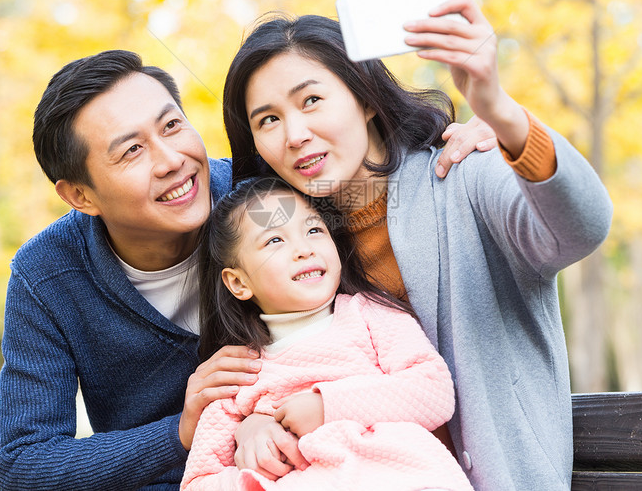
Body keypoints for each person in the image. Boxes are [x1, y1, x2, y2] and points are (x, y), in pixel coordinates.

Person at [0, 49, 492, 490]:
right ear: (79, 195)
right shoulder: (49, 276)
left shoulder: (260, 195)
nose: (172, 161)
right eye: (132, 151)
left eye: (171, 126)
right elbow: (23, 464)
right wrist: (181, 433)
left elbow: (374, 190)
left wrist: (473, 144)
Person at [221, 0, 613, 491]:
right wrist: (251, 423)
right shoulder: (292, 242)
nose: (295, 134)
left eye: (311, 100)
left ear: (364, 98)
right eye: (268, 120)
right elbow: (292, 371)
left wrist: (503, 114)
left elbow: (582, 229)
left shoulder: (465, 169)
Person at [181, 176, 472, 491]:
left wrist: (326, 407)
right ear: (238, 283)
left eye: (314, 230)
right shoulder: (238, 374)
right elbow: (199, 482)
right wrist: (254, 472)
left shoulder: (369, 314)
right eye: (275, 240)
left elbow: (434, 392)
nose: (303, 249)